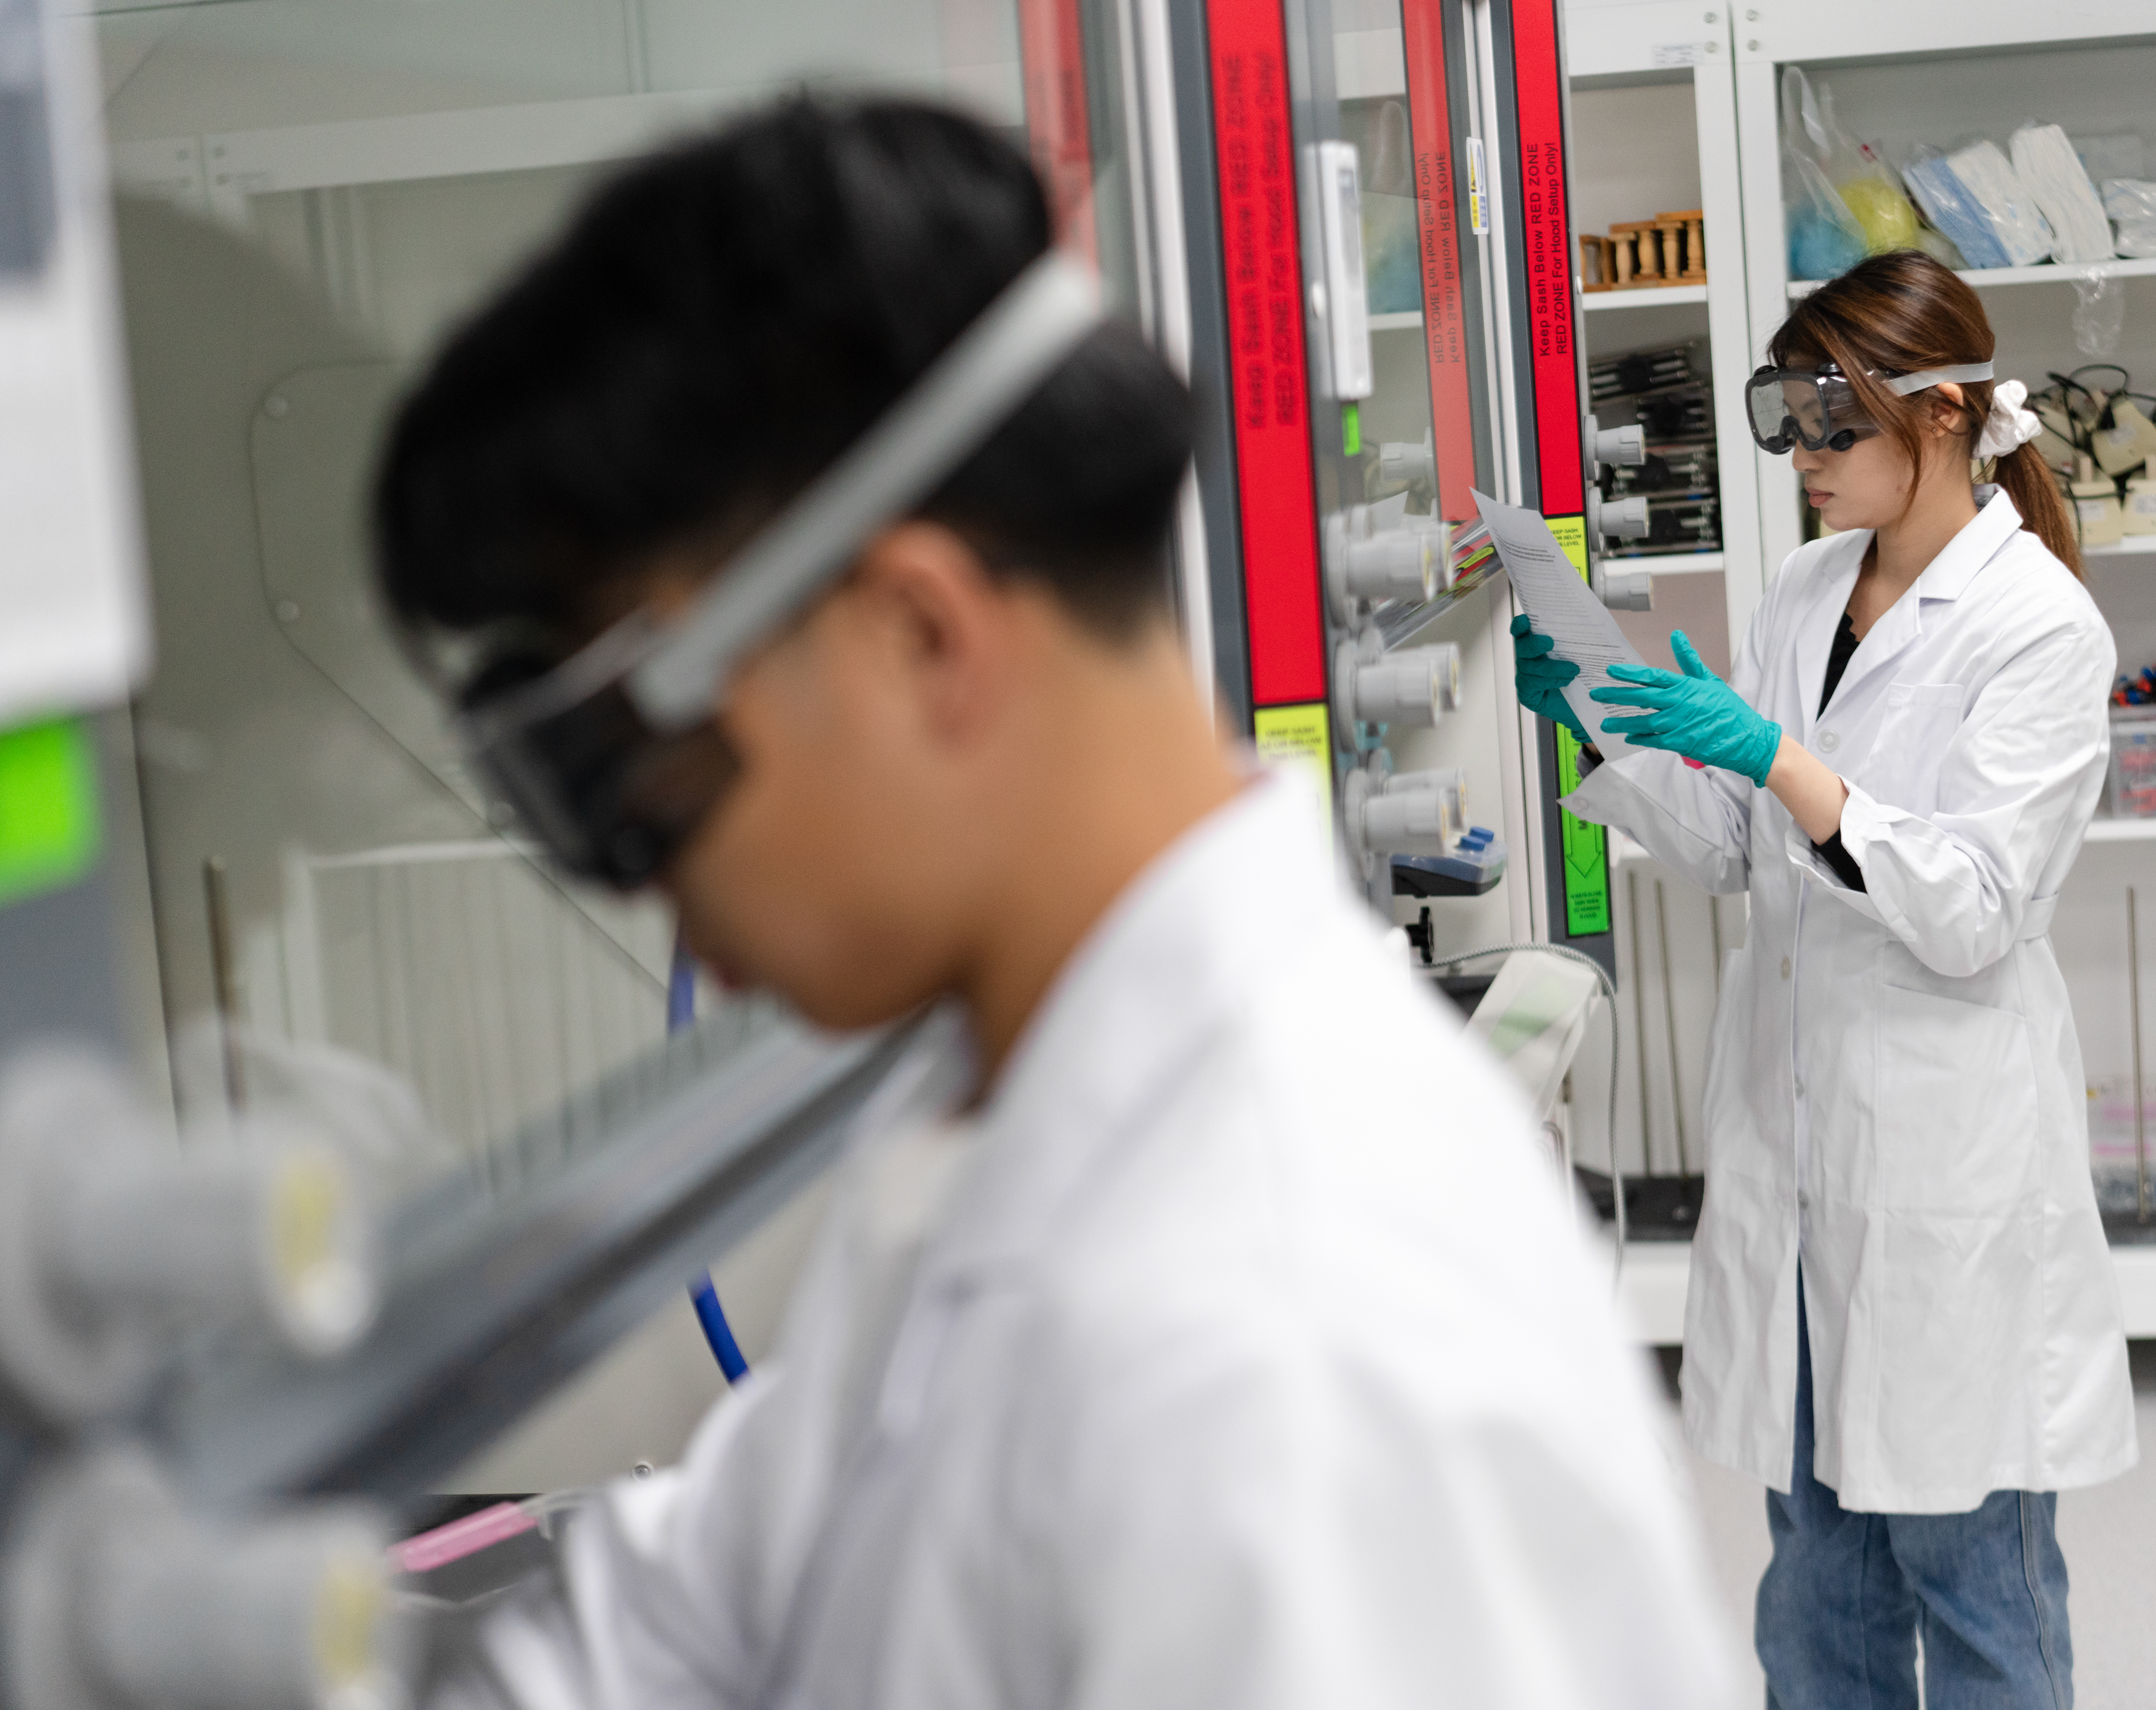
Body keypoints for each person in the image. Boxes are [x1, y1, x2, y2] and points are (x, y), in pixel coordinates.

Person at [373, 96, 1739, 1709]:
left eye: (626, 774)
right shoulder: (1022, 1113)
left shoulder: (1294, 1346)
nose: (643, 883)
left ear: (916, 639)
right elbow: (702, 1607)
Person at [1514, 250, 2135, 1709]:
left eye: (1827, 421)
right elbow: (1742, 848)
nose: (1799, 455)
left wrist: (1782, 759)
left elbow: (1974, 909)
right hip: (1796, 1154)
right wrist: (1611, 735)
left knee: (1965, 1568)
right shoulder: (1803, 589)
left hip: (1940, 1163)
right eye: (1781, 419)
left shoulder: (2037, 625)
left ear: (1936, 418)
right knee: (1816, 1576)